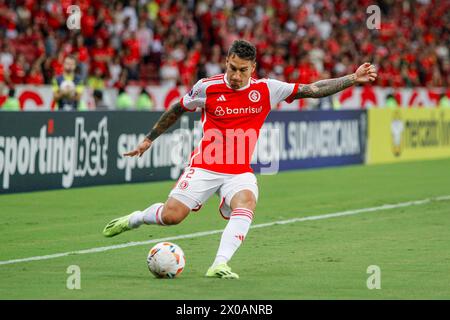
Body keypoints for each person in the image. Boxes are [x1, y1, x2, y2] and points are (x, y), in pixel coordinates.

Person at [102, 40, 377, 279]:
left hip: (238, 171)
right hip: (205, 165)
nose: (235, 75)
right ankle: (136, 219)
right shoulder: (206, 88)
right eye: (232, 68)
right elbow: (177, 109)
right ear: (226, 62)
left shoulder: (268, 89)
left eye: (242, 70)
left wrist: (351, 78)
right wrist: (149, 138)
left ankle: (219, 264)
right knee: (172, 217)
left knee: (246, 201)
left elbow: (313, 89)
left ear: (252, 68)